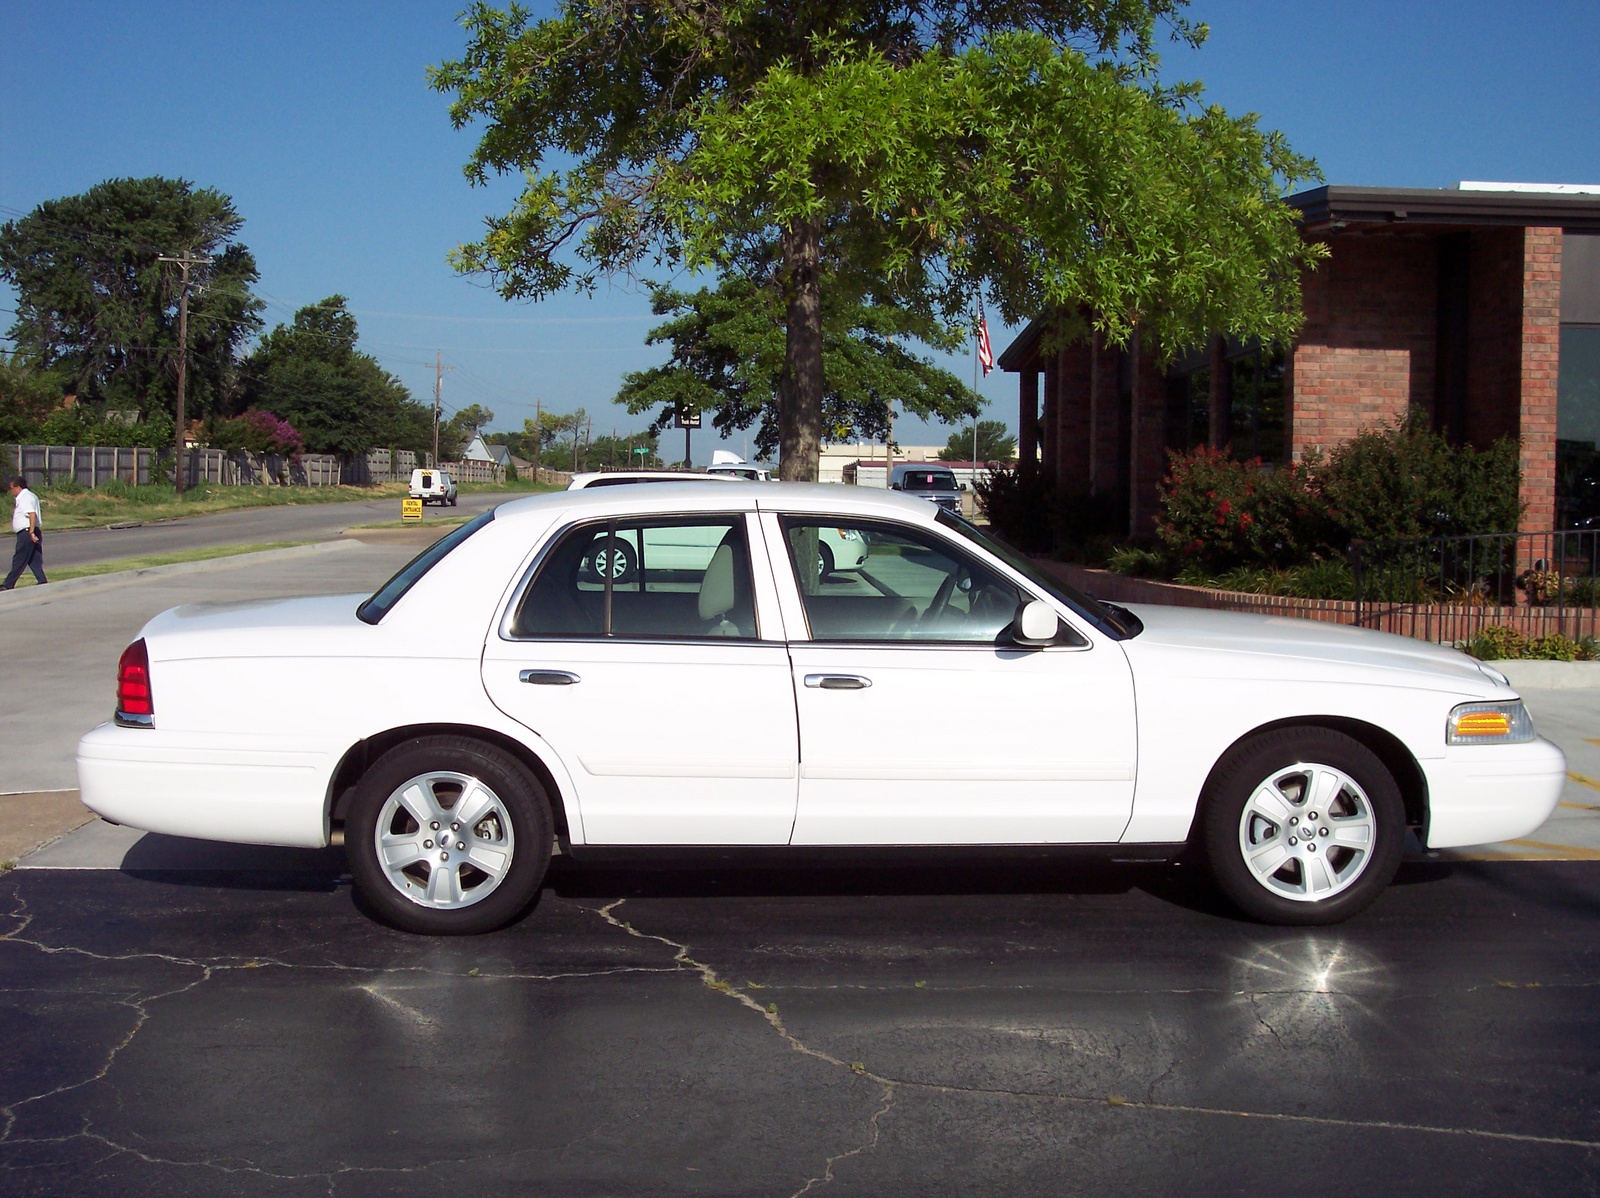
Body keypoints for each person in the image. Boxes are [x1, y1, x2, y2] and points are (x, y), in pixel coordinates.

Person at [3, 475, 46, 590]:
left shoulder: (25, 497)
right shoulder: (29, 496)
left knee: (19, 558)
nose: (11, 491)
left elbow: (32, 514)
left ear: (18, 487)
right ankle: (42, 580)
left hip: (27, 532)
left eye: (11, 488)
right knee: (33, 559)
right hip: (30, 531)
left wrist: (31, 532)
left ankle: (8, 584)